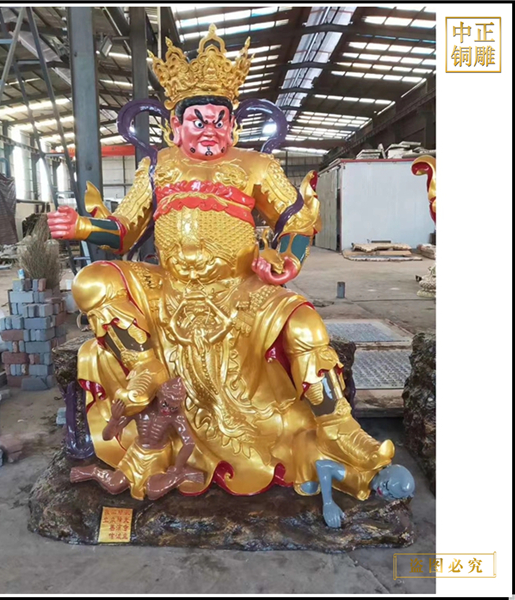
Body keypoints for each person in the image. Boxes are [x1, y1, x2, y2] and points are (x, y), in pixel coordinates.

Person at [48, 25, 396, 501]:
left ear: (232, 126)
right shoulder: (158, 167)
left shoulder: (257, 166)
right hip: (169, 287)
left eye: (218, 120)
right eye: (198, 120)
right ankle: (146, 367)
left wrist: (286, 260)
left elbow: (296, 221)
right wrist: (83, 227)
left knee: (306, 324)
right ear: (175, 126)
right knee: (92, 282)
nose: (209, 129)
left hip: (239, 287)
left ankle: (338, 426)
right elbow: (124, 229)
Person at [70, 377, 203, 500]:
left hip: (157, 457)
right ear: (159, 394)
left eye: (173, 407)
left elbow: (189, 442)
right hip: (135, 454)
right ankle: (93, 471)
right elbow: (107, 436)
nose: (167, 410)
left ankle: (182, 475)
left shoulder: (176, 415)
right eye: (165, 404)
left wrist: (178, 468)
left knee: (153, 491)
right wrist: (114, 419)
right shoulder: (140, 408)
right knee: (114, 485)